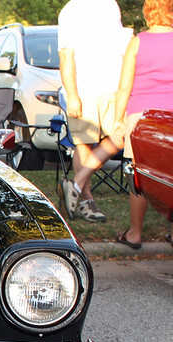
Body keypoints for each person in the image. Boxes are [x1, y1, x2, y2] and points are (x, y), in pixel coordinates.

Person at [56, 0, 133, 222]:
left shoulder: (111, 5)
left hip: (115, 88)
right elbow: (66, 56)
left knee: (120, 137)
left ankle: (75, 184)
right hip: (85, 89)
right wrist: (72, 95)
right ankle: (86, 203)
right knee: (83, 145)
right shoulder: (70, 10)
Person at [112, 0, 173, 249]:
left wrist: (118, 119)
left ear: (149, 12)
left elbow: (124, 86)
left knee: (140, 175)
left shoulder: (138, 42)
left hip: (141, 117)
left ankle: (135, 234)